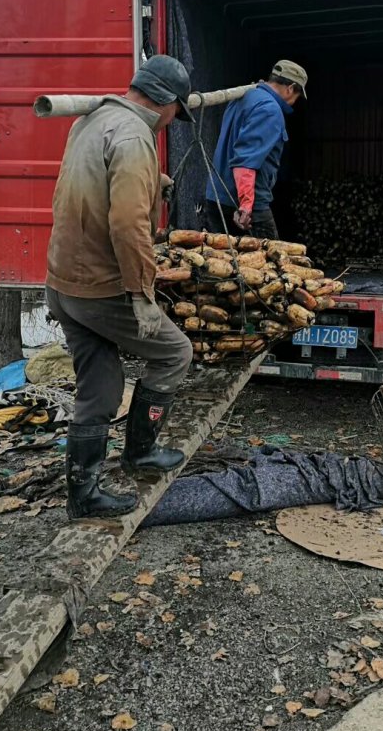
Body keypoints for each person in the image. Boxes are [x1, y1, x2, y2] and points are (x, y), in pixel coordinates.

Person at [45, 55, 195, 520]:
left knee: (101, 389)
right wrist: (140, 295)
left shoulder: (95, 119)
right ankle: (141, 453)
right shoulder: (134, 136)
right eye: (176, 113)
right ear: (167, 103)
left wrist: (154, 184)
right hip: (100, 286)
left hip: (63, 282)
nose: (173, 122)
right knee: (175, 353)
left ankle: (83, 494)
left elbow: (92, 183)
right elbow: (128, 227)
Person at [204, 60, 308, 239]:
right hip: (245, 206)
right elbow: (245, 160)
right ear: (290, 88)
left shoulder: (244, 97)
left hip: (217, 198)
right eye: (297, 96)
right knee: (273, 262)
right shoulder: (270, 110)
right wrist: (246, 205)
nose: (294, 102)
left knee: (224, 262)